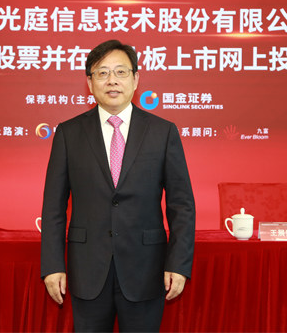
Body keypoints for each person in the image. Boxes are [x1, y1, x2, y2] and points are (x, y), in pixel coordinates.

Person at [40, 39, 196, 332]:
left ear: (136, 79)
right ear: (89, 83)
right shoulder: (68, 134)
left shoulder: (163, 132)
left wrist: (178, 264)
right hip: (87, 269)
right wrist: (52, 265)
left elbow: (182, 205)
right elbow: (53, 207)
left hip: (146, 269)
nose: (112, 80)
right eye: (102, 73)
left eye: (121, 72)